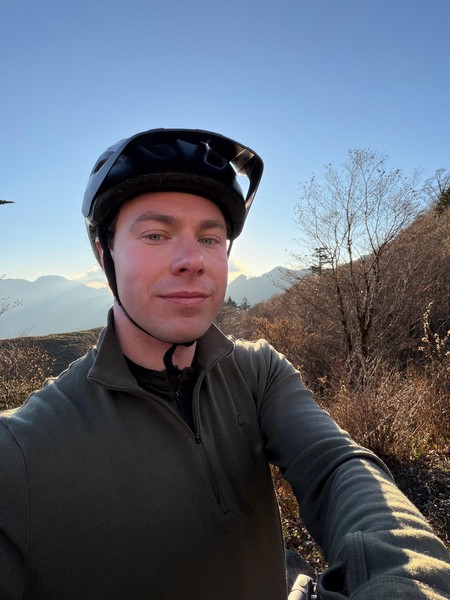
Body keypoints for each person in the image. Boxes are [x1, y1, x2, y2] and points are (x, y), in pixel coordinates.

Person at [0, 128, 449, 600]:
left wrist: (406, 580)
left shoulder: (258, 372)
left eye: (211, 238)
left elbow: (336, 467)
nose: (192, 260)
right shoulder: (21, 450)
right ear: (103, 251)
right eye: (156, 235)